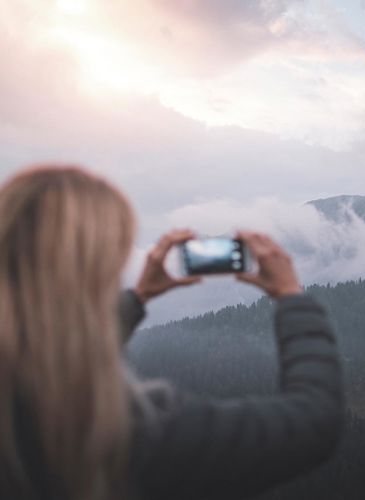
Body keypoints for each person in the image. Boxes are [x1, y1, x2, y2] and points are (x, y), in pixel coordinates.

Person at [0, 165, 343, 500]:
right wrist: (290, 295)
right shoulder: (130, 436)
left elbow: (55, 357)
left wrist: (137, 298)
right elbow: (314, 423)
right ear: (99, 271)